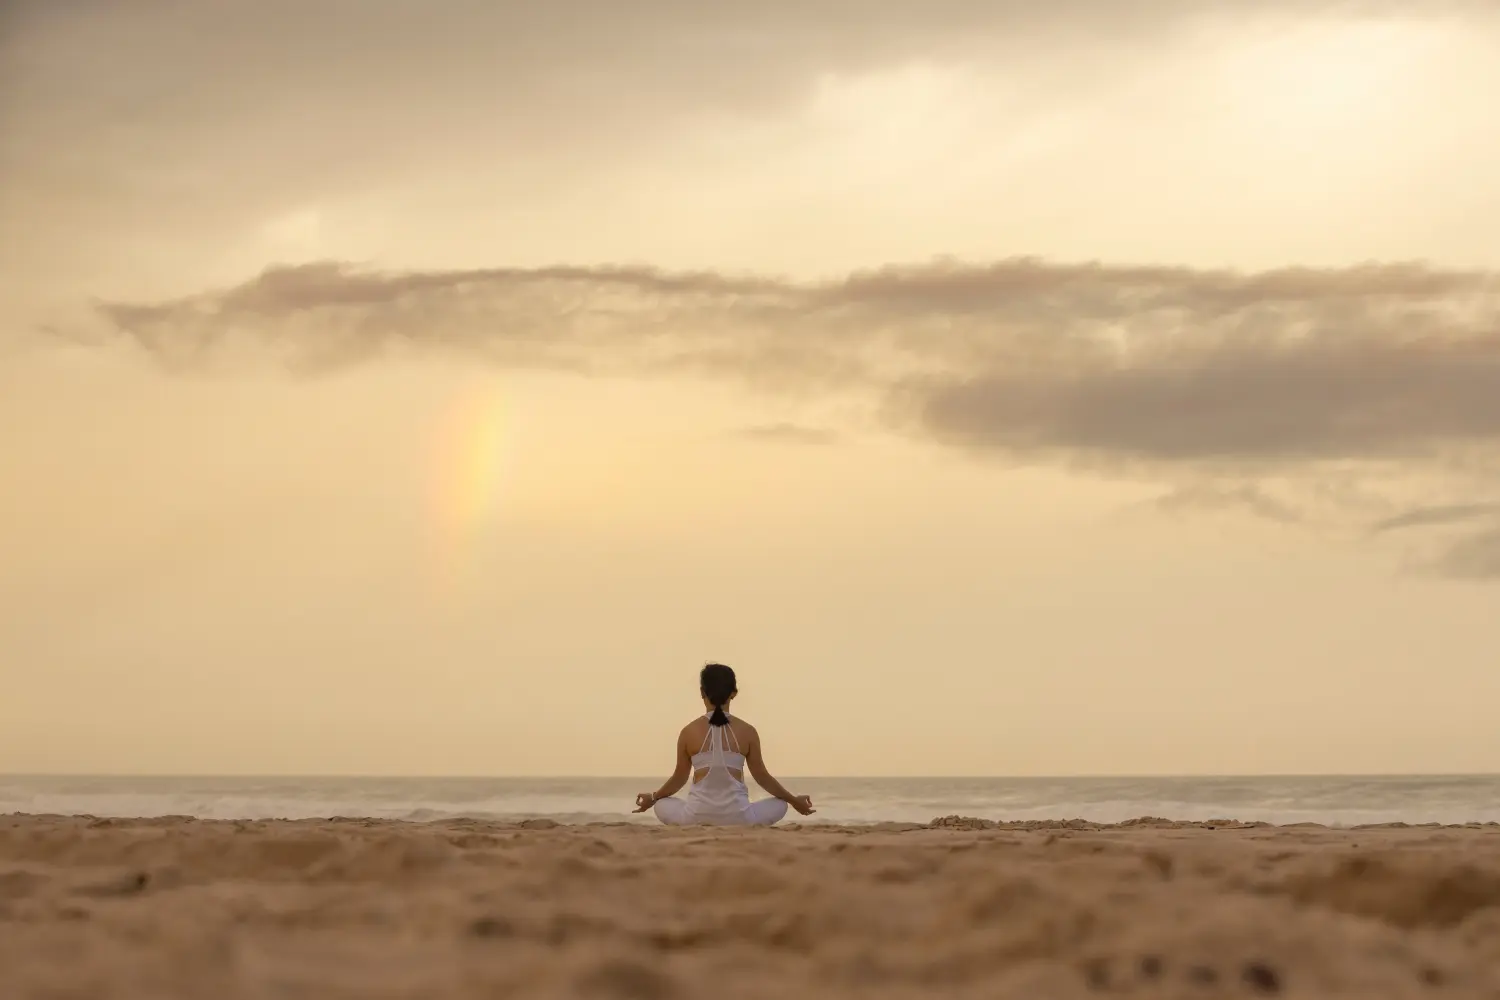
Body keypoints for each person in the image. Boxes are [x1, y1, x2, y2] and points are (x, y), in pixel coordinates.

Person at [634, 663, 814, 826]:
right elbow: (762, 777)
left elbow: (679, 778)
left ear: (702, 692)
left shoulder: (688, 731)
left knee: (662, 804)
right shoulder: (747, 731)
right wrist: (793, 801)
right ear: (733, 693)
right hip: (740, 818)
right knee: (780, 804)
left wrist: (653, 797)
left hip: (695, 817)